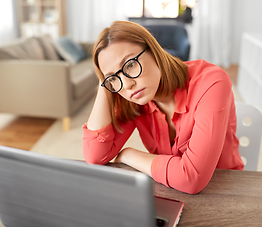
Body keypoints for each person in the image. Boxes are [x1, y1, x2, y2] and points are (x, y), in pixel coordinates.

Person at [82, 21, 244, 195]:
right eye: (114, 78)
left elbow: (191, 179)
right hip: (168, 190)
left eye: (130, 65)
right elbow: (95, 156)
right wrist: (104, 80)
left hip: (225, 192)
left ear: (154, 50)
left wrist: (128, 154)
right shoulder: (132, 96)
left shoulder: (211, 82)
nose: (128, 84)